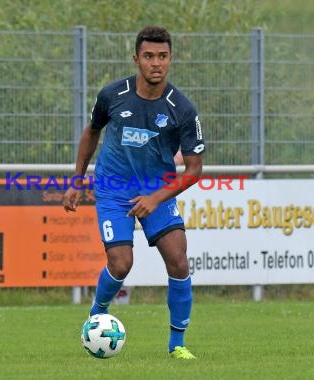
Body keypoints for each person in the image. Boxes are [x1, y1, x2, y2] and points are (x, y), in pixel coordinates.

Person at [63, 26, 205, 359]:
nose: (156, 63)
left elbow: (195, 170)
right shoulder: (112, 95)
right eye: (149, 56)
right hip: (113, 188)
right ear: (136, 59)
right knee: (121, 262)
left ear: (170, 58)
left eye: (163, 56)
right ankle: (97, 313)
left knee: (179, 261)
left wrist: (156, 198)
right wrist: (76, 180)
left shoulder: (182, 109)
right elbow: (92, 132)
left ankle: (177, 345)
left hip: (157, 190)